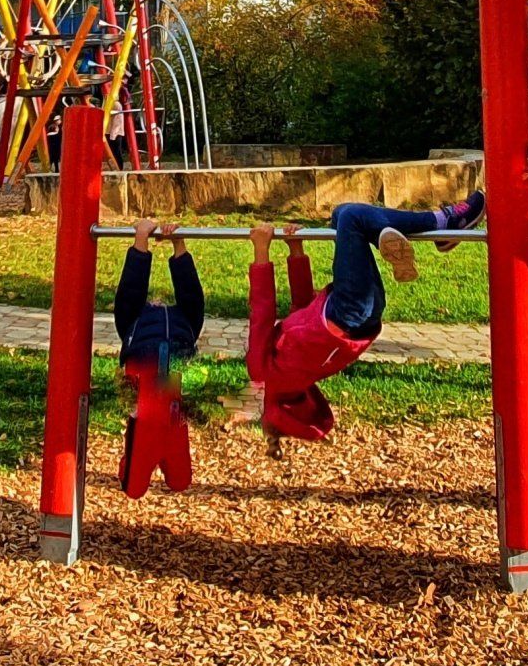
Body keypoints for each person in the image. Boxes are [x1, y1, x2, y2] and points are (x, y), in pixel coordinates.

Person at [247, 191, 486, 449]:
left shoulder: (300, 376)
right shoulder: (262, 371)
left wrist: (296, 250)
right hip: (346, 310)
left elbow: (301, 307)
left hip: (365, 313)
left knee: (342, 214)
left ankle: (406, 233)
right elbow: (262, 312)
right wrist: (261, 251)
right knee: (352, 217)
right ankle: (442, 222)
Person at [114, 218, 206, 497]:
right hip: (152, 406)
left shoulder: (181, 321)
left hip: (168, 409)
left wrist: (179, 243)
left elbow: (191, 293)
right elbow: (131, 290)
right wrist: (141, 239)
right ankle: (134, 466)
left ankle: (139, 465)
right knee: (136, 488)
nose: (158, 301)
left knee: (180, 481)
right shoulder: (133, 321)